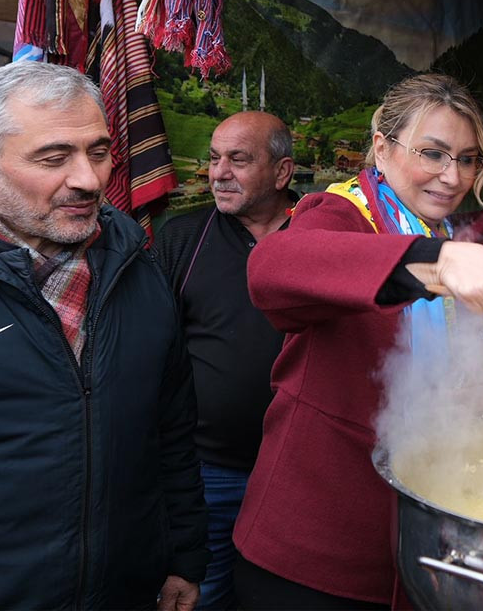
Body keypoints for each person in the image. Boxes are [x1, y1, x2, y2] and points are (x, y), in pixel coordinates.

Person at [0, 61, 208, 609]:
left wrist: (184, 557)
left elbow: (169, 435)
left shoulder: (139, 273)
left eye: (98, 152)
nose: (89, 179)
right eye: (54, 158)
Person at [232, 74, 483, 609]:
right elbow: (271, 270)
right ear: (382, 146)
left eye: (468, 160)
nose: (452, 177)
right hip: (316, 550)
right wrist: (430, 264)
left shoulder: (459, 234)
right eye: (434, 154)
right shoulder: (340, 214)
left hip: (424, 544)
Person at [154, 111, 297, 610]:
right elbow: (155, 353)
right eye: (215, 159)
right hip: (206, 474)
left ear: (282, 173)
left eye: (238, 159)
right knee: (202, 595)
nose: (218, 172)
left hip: (297, 473)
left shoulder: (320, 237)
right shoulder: (182, 239)